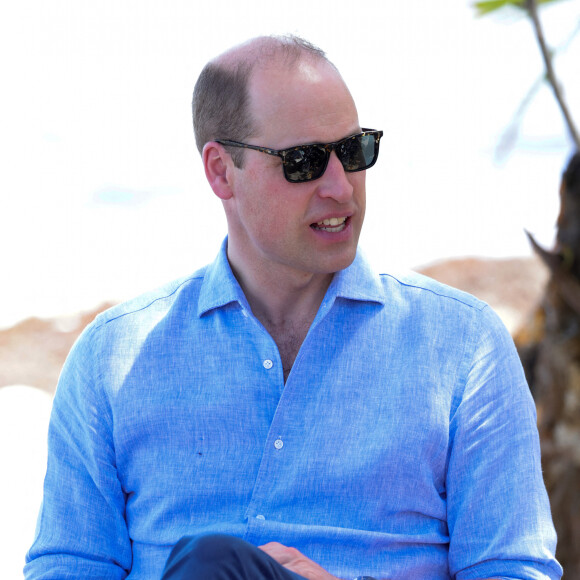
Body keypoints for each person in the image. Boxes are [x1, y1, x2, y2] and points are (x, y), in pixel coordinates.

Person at [25, 35, 562, 579]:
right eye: (303, 161)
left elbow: (514, 570)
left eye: (354, 151)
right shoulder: (110, 357)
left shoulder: (464, 345)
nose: (340, 188)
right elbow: (69, 568)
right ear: (220, 171)